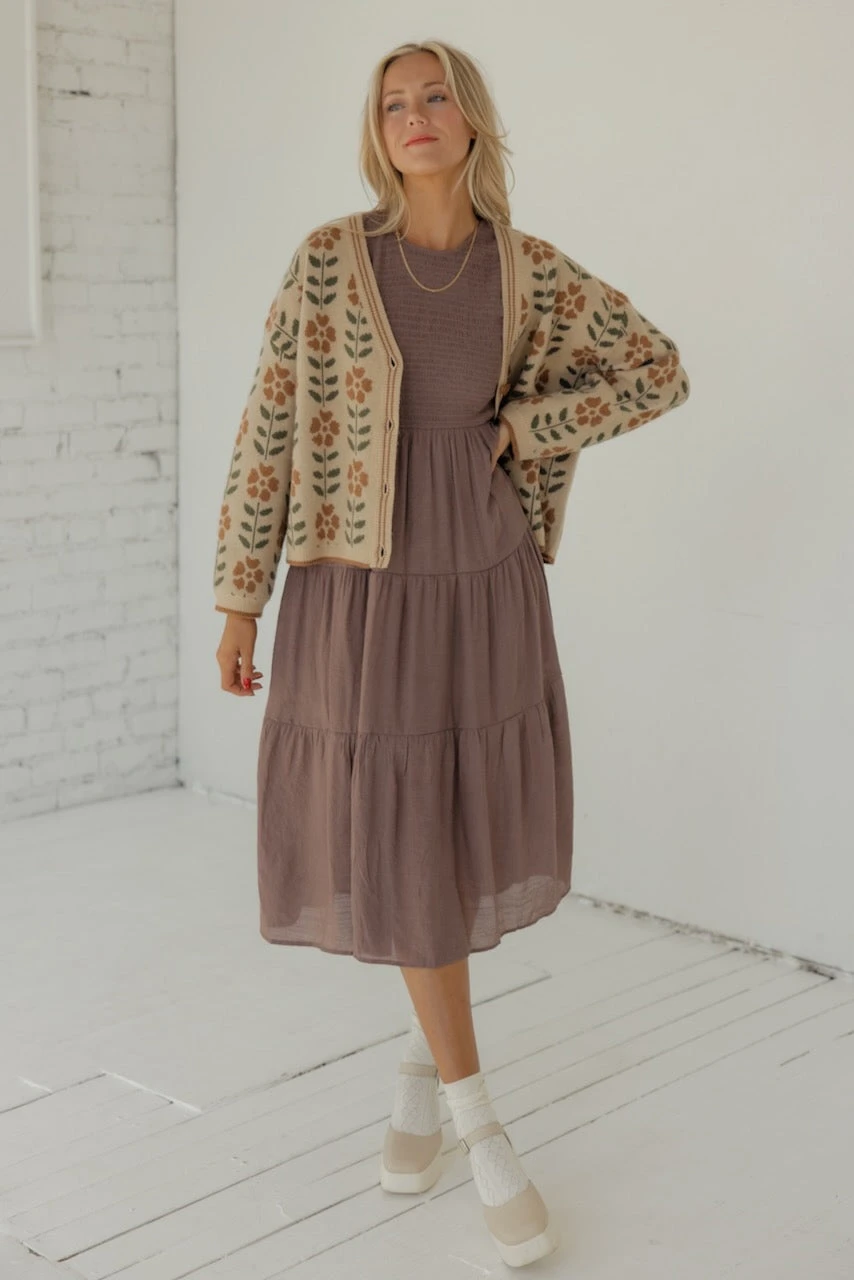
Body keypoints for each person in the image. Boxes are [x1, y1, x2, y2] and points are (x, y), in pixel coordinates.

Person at [213, 38, 690, 1268]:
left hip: (482, 577)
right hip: (357, 587)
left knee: (450, 824)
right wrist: (238, 600)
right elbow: (268, 428)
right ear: (375, 132)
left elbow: (656, 371)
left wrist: (523, 428)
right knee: (398, 823)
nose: (413, 115)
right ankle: (481, 1123)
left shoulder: (525, 270)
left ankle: (419, 1088)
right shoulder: (329, 260)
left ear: (470, 120)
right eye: (393, 103)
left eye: (434, 97)